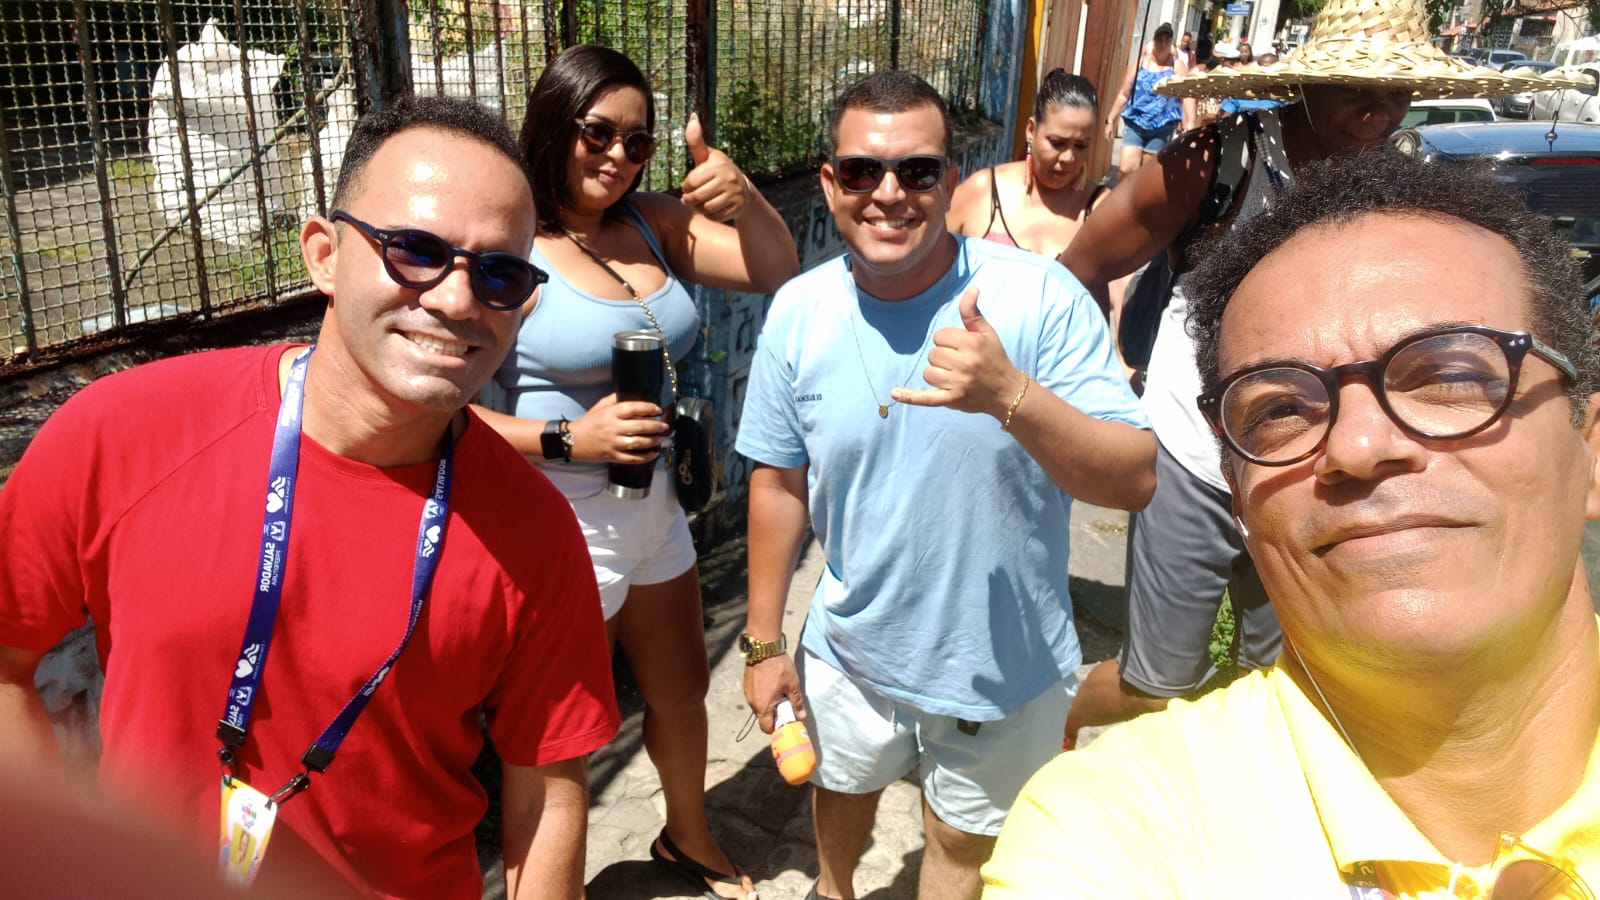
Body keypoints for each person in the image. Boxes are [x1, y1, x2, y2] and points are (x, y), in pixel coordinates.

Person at [0, 96, 620, 899]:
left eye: (498, 273)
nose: (455, 300)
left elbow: (548, 791)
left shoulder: (533, 533)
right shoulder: (124, 433)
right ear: (324, 255)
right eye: (416, 250)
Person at [984, 147, 1600, 899]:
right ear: (1240, 499)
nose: (1358, 446)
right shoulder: (1112, 830)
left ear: (1590, 448)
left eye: (1447, 375)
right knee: (1157, 676)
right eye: (1279, 410)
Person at [1057, 0, 1559, 749]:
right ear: (1307, 84)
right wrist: (1105, 397)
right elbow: (1078, 269)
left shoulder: (1398, 181)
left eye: (1396, 91)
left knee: (1288, 678)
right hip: (1193, 463)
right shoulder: (1218, 162)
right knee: (1156, 687)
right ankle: (1056, 729)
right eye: (1356, 89)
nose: (1379, 111)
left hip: (1312, 470)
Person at [736, 71, 1155, 900]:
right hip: (851, 649)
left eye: (918, 171)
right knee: (841, 790)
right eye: (862, 171)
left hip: (1001, 663)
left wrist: (1011, 395)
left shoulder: (1038, 299)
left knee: (960, 842)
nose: (889, 193)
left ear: (950, 180)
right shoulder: (799, 312)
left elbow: (1135, 476)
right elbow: (778, 483)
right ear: (830, 183)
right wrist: (761, 642)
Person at [473, 44, 797, 900]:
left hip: (654, 508)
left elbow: (776, 269)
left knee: (682, 688)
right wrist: (564, 439)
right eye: (598, 133)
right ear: (555, 126)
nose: (617, 155)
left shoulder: (651, 221)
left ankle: (687, 837)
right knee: (561, 739)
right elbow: (448, 410)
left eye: (637, 141)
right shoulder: (515, 244)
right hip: (564, 525)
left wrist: (746, 195)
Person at [947, 69, 1107, 263]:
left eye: (1081, 146)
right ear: (1031, 130)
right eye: (1057, 143)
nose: (1068, 158)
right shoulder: (984, 191)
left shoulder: (1101, 208)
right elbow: (930, 261)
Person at [1104, 22, 1189, 182]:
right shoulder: (1141, 63)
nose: (1162, 44)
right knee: (1126, 169)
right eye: (1159, 40)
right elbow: (1124, 94)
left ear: (1171, 43)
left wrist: (1188, 125)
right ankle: (1125, 196)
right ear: (1153, 42)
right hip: (1135, 122)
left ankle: (1137, 198)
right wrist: (1110, 120)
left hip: (1162, 126)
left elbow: (1186, 97)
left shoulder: (1177, 66)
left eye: (1166, 40)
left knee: (1146, 172)